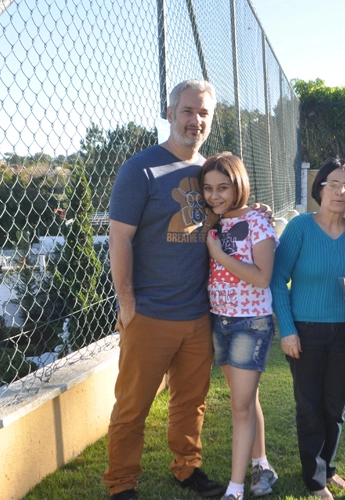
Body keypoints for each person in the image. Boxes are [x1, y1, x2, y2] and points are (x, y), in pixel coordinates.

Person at [103, 79, 227, 500]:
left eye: (204, 113)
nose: (196, 120)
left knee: (190, 402)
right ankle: (122, 483)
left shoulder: (212, 172)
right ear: (170, 113)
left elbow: (230, 213)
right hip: (150, 313)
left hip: (197, 313)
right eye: (188, 111)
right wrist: (127, 302)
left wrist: (253, 207)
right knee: (132, 408)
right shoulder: (140, 169)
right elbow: (118, 238)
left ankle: (187, 468)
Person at [270, 158, 345, 500]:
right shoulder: (300, 228)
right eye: (333, 184)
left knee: (335, 408)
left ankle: (328, 465)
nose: (341, 191)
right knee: (309, 406)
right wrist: (288, 330)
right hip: (306, 332)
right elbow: (278, 280)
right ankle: (315, 479)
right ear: (320, 188)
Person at [200, 152, 279, 500]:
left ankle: (235, 489)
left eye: (223, 188)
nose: (215, 196)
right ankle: (262, 464)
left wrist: (219, 256)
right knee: (244, 400)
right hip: (221, 321)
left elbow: (263, 279)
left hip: (251, 323)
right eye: (208, 189)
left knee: (240, 406)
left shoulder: (259, 222)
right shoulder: (212, 221)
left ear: (239, 186)